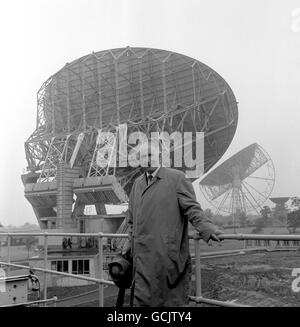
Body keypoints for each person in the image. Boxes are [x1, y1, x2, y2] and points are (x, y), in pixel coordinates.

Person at [122, 142, 222, 306]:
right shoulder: (137, 184)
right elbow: (131, 219)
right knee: (142, 299)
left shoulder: (176, 178)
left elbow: (192, 208)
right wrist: (129, 242)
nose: (147, 159)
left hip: (166, 254)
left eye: (150, 155)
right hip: (141, 256)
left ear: (159, 157)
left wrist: (206, 228)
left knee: (168, 301)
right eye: (142, 156)